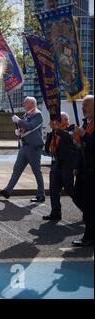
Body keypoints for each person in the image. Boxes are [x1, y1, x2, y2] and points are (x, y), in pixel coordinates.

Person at [0, 97, 45, 202]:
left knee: (36, 171)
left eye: (25, 102)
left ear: (31, 103)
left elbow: (31, 126)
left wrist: (18, 120)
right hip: (24, 146)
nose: (23, 104)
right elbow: (25, 128)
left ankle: (41, 195)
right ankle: (7, 191)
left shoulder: (37, 114)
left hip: (33, 147)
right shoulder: (27, 114)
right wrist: (19, 131)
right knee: (16, 169)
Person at [43, 112, 77, 221]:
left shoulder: (71, 129)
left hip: (67, 165)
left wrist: (56, 129)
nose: (56, 123)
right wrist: (52, 132)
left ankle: (86, 209)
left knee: (69, 188)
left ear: (65, 121)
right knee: (53, 189)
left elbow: (68, 137)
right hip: (56, 164)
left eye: (58, 120)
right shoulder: (55, 132)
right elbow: (47, 149)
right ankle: (55, 212)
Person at [72, 95, 94, 247]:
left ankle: (89, 236)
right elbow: (82, 149)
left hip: (92, 171)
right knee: (78, 197)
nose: (83, 107)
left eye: (86, 104)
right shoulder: (88, 123)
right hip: (84, 170)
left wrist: (84, 135)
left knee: (89, 204)